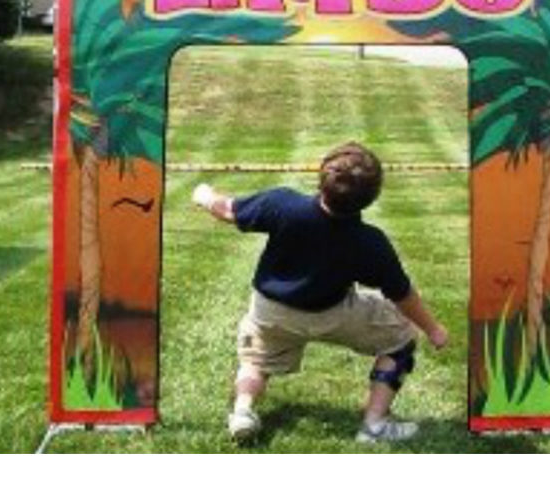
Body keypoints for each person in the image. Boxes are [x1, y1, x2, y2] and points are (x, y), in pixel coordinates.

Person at [191, 142, 448, 443]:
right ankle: (374, 425)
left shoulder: (282, 203)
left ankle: (243, 411)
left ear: (321, 178)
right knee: (402, 336)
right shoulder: (371, 243)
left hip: (271, 312)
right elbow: (402, 294)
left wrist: (204, 195)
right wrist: (432, 329)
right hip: (331, 315)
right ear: (372, 196)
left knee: (256, 362)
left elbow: (227, 210)